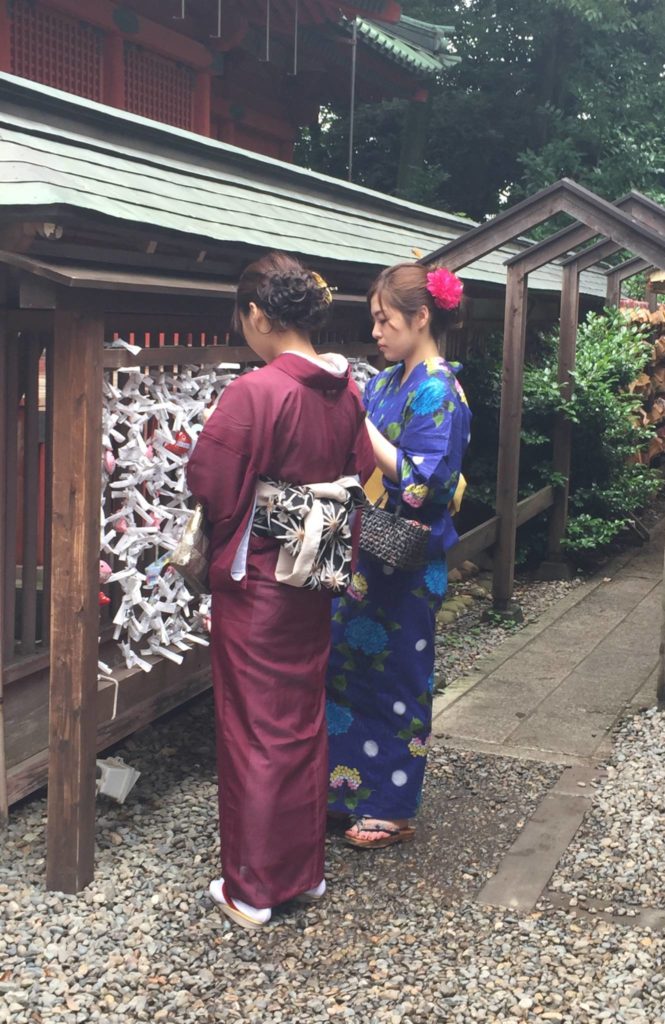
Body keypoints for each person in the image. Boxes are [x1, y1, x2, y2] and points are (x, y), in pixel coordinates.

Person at [186, 252, 374, 927]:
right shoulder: (345, 389)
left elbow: (209, 481)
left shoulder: (258, 391)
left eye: (244, 318)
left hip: (263, 575)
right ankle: (305, 873)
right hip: (317, 562)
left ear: (258, 315)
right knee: (300, 717)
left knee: (256, 728)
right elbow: (355, 469)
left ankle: (253, 888)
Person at [325, 262, 471, 848]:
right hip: (364, 550)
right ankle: (344, 789)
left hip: (407, 559)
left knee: (400, 678)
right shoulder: (387, 383)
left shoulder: (440, 389)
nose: (378, 332)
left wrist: (362, 426)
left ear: (421, 317)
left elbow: (425, 482)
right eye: (375, 321)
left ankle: (392, 804)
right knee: (344, 669)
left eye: (386, 321)